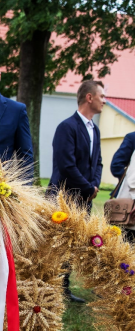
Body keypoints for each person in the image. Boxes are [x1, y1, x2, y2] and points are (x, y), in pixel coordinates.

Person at [49, 79, 106, 302]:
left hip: (84, 198)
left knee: (73, 248)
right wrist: (87, 186)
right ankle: (54, 289)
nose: (104, 101)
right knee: (59, 247)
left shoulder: (95, 130)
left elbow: (98, 162)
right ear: (89, 98)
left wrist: (94, 185)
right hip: (65, 198)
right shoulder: (67, 127)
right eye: (102, 96)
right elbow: (66, 165)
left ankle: (64, 289)